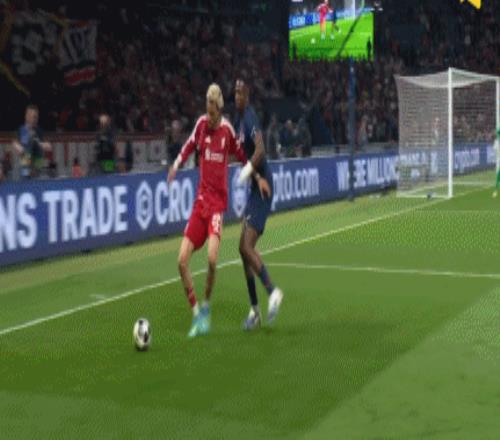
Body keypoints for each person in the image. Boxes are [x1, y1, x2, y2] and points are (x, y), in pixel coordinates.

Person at [167, 83, 247, 338]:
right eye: (207, 109)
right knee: (181, 261)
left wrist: (255, 173)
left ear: (219, 108)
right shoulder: (201, 125)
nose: (209, 115)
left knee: (212, 260)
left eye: (213, 111)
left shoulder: (227, 130)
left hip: (217, 207)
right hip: (200, 204)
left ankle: (206, 305)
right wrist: (176, 165)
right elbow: (189, 145)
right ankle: (196, 314)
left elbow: (241, 154)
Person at [234, 78, 284, 331]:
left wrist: (248, 173)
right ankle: (255, 312)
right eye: (235, 92)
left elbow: (260, 150)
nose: (237, 96)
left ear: (248, 95)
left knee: (246, 246)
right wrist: (251, 175)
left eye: (241, 92)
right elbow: (244, 155)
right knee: (243, 250)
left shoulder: (250, 118)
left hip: (262, 188)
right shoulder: (239, 121)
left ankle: (273, 292)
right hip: (256, 185)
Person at [12, 105, 52, 179]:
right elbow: (15, 144)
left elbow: (49, 146)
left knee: (36, 146)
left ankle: (35, 172)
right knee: (28, 145)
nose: (33, 119)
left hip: (37, 164)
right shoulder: (21, 130)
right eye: (31, 116)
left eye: (35, 117)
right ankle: (26, 173)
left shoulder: (39, 131)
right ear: (26, 116)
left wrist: (38, 143)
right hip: (23, 164)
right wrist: (23, 148)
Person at [493, 128, 500, 198]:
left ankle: (495, 191)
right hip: (499, 160)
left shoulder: (496, 141)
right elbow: (495, 151)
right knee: (498, 176)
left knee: (498, 176)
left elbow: (495, 151)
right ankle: (495, 190)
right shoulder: (496, 141)